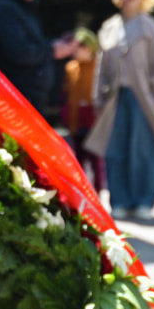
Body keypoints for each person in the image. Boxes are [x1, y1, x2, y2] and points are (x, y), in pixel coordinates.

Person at [86, 0, 154, 220]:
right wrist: (97, 98)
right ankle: (120, 200)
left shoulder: (149, 27)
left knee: (143, 151)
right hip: (114, 99)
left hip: (144, 99)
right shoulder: (109, 27)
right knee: (115, 150)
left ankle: (145, 202)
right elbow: (101, 66)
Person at [63, 27, 104, 192]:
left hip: (94, 120)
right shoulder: (71, 68)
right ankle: (82, 193)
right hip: (76, 118)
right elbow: (66, 93)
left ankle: (98, 193)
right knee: (79, 161)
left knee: (96, 161)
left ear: (88, 49)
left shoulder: (99, 67)